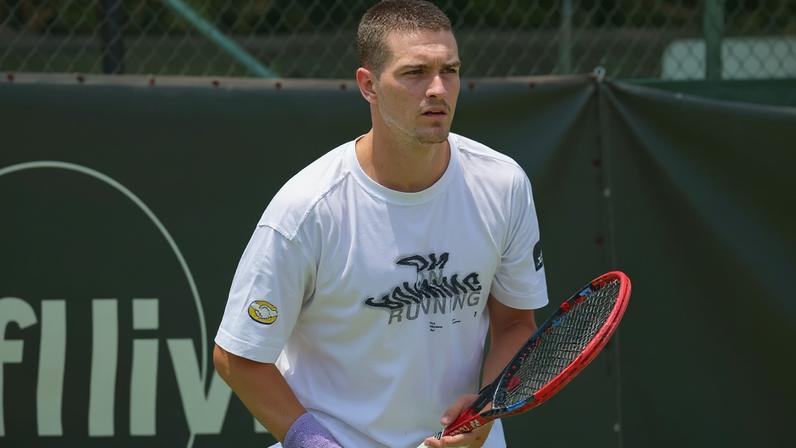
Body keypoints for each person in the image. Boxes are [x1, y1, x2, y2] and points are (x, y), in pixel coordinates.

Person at [212, 1, 549, 447]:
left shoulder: (503, 184)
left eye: (449, 70)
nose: (437, 89)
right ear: (368, 85)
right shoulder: (308, 209)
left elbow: (514, 323)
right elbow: (237, 356)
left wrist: (482, 414)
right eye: (414, 73)